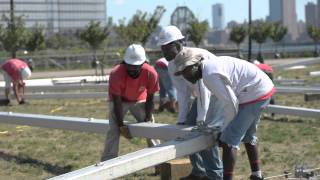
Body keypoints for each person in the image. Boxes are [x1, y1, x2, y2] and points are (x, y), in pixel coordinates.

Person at [174, 48, 276, 180]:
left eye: (185, 71)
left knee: (228, 141)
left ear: (194, 66)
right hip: (259, 89)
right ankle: (257, 175)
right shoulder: (208, 69)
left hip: (254, 93)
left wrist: (224, 129)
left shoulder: (209, 74)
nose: (184, 76)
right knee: (248, 136)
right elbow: (222, 101)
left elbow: (231, 104)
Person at [158, 25, 224, 180]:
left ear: (178, 43)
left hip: (219, 93)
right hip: (202, 96)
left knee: (205, 132)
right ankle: (199, 172)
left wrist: (201, 120)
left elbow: (205, 92)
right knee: (188, 129)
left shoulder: (196, 57)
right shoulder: (172, 65)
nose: (164, 52)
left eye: (167, 48)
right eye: (163, 49)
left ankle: (215, 175)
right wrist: (181, 120)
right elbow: (183, 92)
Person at [100, 44, 160, 162]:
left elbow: (150, 98)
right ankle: (108, 161)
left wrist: (147, 117)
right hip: (120, 101)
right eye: (130, 66)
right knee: (113, 130)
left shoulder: (151, 73)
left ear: (143, 63)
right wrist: (120, 125)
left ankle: (159, 160)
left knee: (151, 127)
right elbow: (116, 101)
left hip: (139, 99)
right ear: (125, 63)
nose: (132, 70)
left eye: (136, 66)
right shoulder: (116, 73)